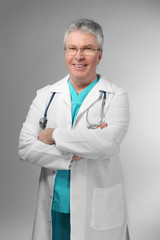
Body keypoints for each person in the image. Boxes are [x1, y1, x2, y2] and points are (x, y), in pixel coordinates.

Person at [18, 18, 130, 240]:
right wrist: (78, 151)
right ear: (65, 52)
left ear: (99, 54)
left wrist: (52, 135)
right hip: (56, 203)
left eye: (87, 48)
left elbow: (106, 144)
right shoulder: (46, 95)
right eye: (72, 48)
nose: (78, 56)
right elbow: (25, 148)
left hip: (98, 207)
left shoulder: (117, 96)